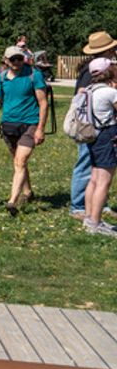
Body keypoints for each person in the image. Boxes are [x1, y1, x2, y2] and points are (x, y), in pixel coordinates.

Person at [0, 46, 48, 215]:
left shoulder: (33, 75)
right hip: (8, 126)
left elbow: (43, 103)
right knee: (18, 162)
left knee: (20, 161)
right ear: (5, 60)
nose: (16, 62)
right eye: (12, 59)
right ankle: (28, 192)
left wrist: (40, 129)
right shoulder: (1, 78)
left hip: (30, 124)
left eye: (19, 59)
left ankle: (12, 201)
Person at [71, 31, 117, 219]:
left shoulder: (94, 68)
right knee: (86, 165)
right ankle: (78, 206)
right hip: (91, 126)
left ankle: (97, 206)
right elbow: (82, 96)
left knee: (95, 169)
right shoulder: (93, 72)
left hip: (90, 124)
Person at [81, 58, 117, 237]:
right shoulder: (110, 92)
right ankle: (95, 223)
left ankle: (89, 218)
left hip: (92, 135)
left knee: (94, 178)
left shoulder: (88, 90)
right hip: (107, 135)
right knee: (104, 180)